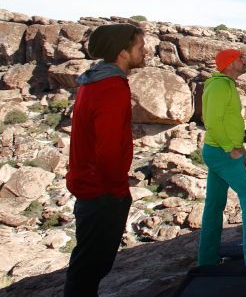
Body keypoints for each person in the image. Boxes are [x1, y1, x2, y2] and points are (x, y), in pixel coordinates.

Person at [64, 23, 146, 297]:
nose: (144, 51)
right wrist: (118, 191)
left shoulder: (93, 81)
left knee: (87, 266)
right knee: (91, 267)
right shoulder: (111, 87)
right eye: (139, 46)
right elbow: (108, 148)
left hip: (90, 185)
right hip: (102, 190)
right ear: (123, 52)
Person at [197, 49, 246, 274]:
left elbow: (225, 120)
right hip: (221, 152)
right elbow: (211, 121)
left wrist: (236, 144)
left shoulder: (225, 84)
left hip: (217, 150)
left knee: (214, 204)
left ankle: (207, 260)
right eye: (240, 59)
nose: (244, 61)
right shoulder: (220, 85)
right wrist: (230, 148)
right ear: (230, 63)